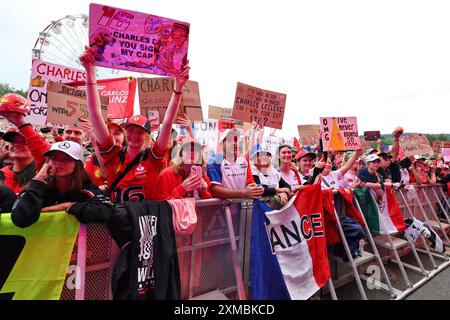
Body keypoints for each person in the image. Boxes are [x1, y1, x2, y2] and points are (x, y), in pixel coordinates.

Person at [79, 45, 189, 202]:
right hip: (117, 222)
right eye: (130, 130)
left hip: (144, 223)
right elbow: (96, 114)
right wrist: (90, 72)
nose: (134, 135)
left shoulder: (153, 157)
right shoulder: (113, 154)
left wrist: (178, 89)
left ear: (148, 136)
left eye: (140, 132)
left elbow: (167, 123)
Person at [11, 141, 103, 228]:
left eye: (67, 158)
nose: (58, 163)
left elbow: (104, 211)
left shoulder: (87, 188)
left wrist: (66, 206)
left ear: (78, 164)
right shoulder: (40, 186)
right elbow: (20, 219)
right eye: (54, 158)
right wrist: (39, 178)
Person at [0, 96, 50, 193]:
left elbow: (47, 155)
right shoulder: (2, 173)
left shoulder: (42, 174)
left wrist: (20, 123)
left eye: (24, 141)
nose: (16, 145)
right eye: (13, 141)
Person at [207, 128, 264, 199]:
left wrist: (257, 190)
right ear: (222, 143)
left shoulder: (244, 161)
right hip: (220, 208)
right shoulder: (214, 160)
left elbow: (250, 183)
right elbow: (215, 190)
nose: (234, 143)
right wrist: (243, 193)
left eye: (236, 140)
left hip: (242, 208)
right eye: (229, 140)